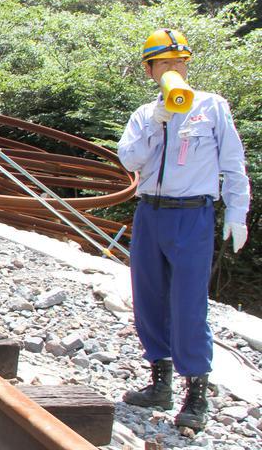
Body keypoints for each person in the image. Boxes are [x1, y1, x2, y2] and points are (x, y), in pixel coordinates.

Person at [117, 28, 250, 431]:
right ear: (149, 70)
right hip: (150, 213)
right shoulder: (144, 115)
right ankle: (160, 382)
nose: (174, 68)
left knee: (189, 303)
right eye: (165, 63)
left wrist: (237, 213)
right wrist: (155, 124)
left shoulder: (212, 107)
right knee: (149, 298)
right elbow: (129, 160)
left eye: (180, 62)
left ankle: (196, 394)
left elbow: (233, 164)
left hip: (192, 214)